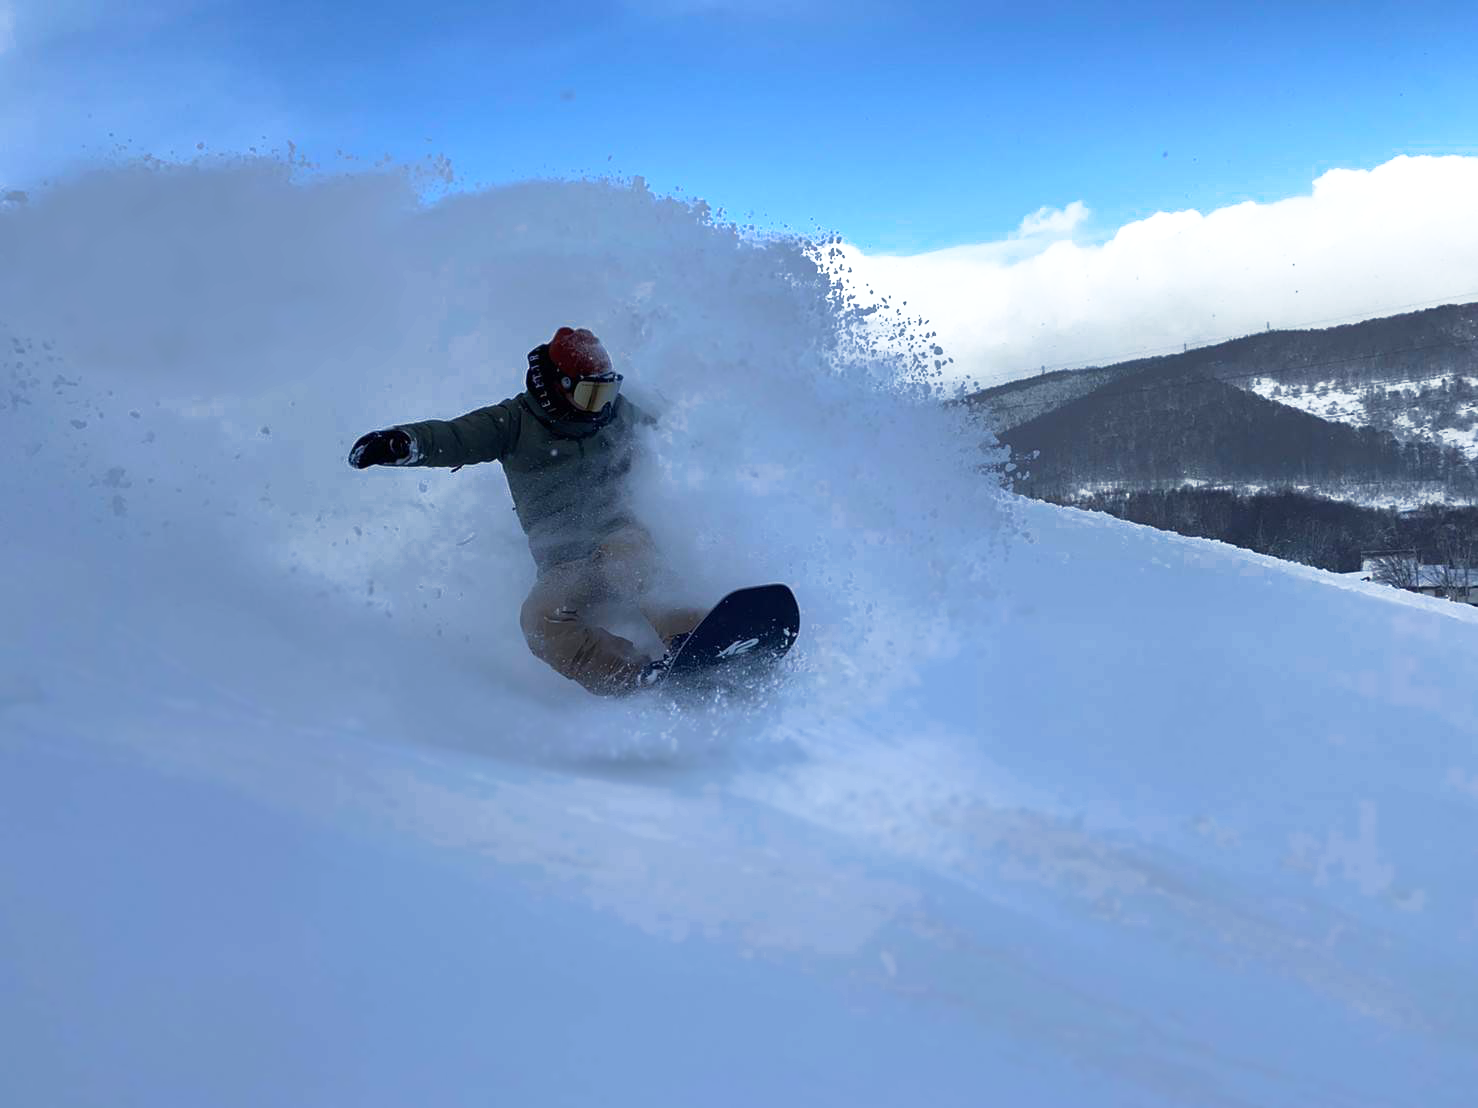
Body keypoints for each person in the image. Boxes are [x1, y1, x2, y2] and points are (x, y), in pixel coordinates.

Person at [348, 327, 705, 696]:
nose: (600, 405)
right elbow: (455, 437)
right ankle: (633, 678)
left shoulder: (614, 413)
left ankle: (692, 639)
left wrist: (708, 446)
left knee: (633, 559)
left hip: (619, 534)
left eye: (607, 392)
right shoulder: (514, 423)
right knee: (538, 621)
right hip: (565, 564)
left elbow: (670, 439)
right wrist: (402, 444)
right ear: (559, 386)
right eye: (589, 394)